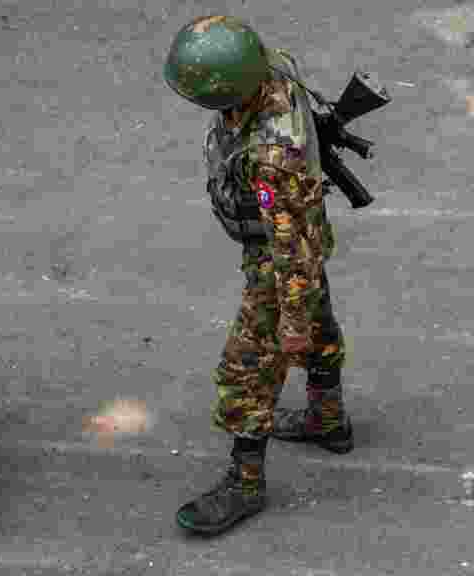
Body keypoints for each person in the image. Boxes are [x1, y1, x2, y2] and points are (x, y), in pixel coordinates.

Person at [162, 16, 353, 536]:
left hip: (279, 256)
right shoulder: (270, 68)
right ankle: (327, 417)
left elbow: (290, 252)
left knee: (248, 369)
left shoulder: (271, 162)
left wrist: (290, 318)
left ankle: (245, 484)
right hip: (303, 232)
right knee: (318, 317)